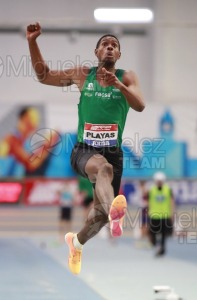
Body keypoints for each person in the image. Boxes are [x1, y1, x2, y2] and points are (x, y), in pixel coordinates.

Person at [26, 22, 145, 274]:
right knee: (103, 168)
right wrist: (32, 42)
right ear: (97, 52)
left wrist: (119, 86)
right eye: (105, 44)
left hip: (114, 151)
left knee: (99, 216)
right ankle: (116, 212)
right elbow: (43, 76)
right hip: (84, 150)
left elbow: (140, 105)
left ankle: (77, 242)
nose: (110, 47)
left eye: (115, 45)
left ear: (119, 55)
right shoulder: (82, 74)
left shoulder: (127, 77)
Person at [0, 107, 56, 176]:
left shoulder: (23, 142)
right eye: (32, 119)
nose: (35, 124)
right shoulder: (12, 140)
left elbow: (31, 159)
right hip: (6, 184)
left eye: (36, 120)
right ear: (24, 119)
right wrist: (48, 144)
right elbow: (31, 164)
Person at [146, 172, 174, 256]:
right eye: (158, 181)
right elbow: (149, 202)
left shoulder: (168, 189)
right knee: (152, 233)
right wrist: (148, 213)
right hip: (154, 215)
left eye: (161, 181)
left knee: (164, 234)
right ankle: (156, 245)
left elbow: (172, 202)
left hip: (165, 215)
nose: (159, 182)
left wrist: (172, 213)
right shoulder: (151, 190)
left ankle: (162, 249)